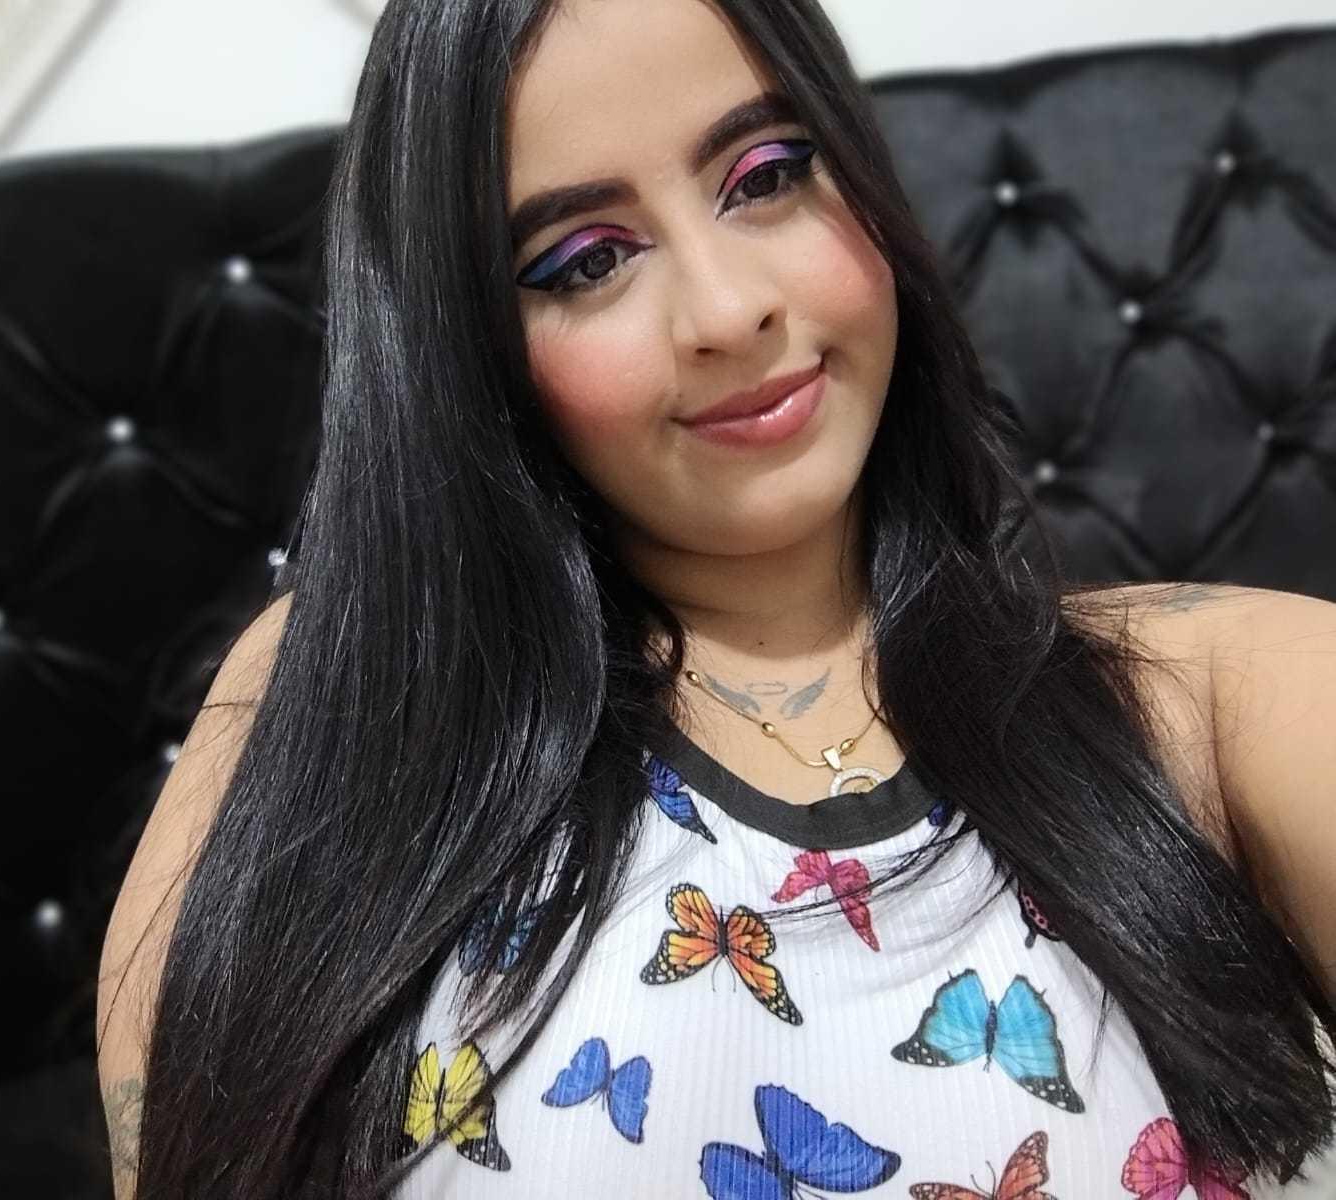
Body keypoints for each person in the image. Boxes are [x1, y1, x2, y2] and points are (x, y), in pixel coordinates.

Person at [95, 0, 1336, 1196]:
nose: (730, 310)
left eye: (767, 175)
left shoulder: (1197, 697)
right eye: (585, 261)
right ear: (468, 347)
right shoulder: (344, 690)